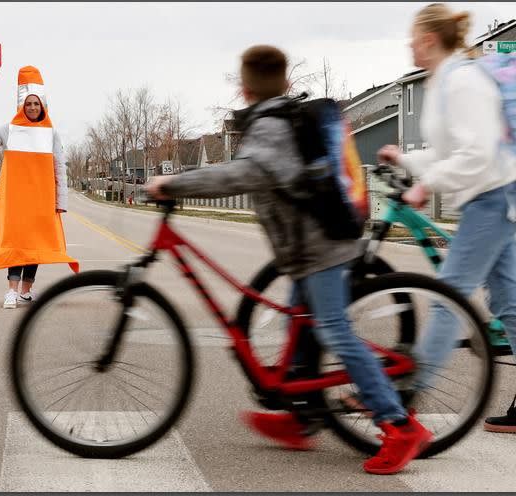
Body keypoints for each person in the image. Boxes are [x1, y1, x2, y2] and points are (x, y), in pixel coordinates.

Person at [146, 44, 432, 475]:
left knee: (334, 331)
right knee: (299, 331)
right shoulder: (278, 120)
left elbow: (240, 174)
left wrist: (174, 183)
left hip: (321, 249)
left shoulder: (271, 128)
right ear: (287, 83)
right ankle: (303, 418)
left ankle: (398, 425)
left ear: (244, 89)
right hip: (307, 250)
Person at [378, 3, 516, 434]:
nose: (408, 45)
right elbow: (448, 152)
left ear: (429, 39)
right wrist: (406, 159)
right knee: (511, 306)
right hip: (493, 196)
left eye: (413, 37)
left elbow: (477, 154)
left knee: (447, 298)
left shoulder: (462, 81)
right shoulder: (445, 80)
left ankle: (403, 401)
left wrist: (426, 185)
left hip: (491, 198)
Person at [0, 66, 79, 309]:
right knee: (16, 245)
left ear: (43, 105)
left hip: (42, 201)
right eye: (28, 104)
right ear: (22, 106)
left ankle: (26, 291)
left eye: (36, 104)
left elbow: (60, 169)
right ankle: (11, 292)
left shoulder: (51, 134)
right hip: (16, 202)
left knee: (34, 247)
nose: (32, 108)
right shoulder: (10, 130)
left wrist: (61, 202)